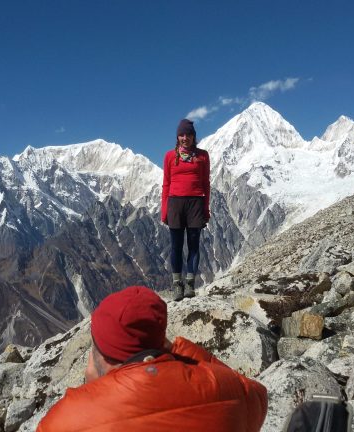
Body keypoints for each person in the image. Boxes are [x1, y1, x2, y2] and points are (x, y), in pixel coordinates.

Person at [37, 286, 268, 432]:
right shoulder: (228, 391)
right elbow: (256, 393)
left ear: (102, 354)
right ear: (160, 343)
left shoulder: (64, 420)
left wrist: (94, 389)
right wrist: (178, 350)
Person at [161, 119, 210, 301]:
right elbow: (166, 184)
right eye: (181, 135)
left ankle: (190, 283)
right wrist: (164, 210)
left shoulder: (203, 156)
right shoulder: (169, 156)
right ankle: (177, 284)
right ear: (177, 137)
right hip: (175, 203)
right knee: (176, 246)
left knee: (194, 245)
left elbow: (206, 184)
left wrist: (206, 208)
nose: (185, 138)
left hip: (196, 203)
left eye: (188, 135)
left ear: (193, 137)